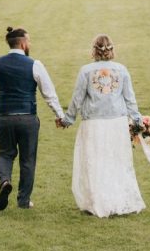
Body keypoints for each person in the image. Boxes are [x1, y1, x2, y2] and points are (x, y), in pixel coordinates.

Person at [0, 26, 65, 211]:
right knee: (27, 159)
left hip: (5, 117)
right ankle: (23, 200)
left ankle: (5, 181)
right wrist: (60, 115)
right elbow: (49, 94)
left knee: (5, 153)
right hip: (27, 118)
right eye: (29, 41)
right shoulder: (35, 65)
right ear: (23, 43)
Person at [59, 35, 145, 218]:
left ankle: (97, 201)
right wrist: (137, 120)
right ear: (111, 49)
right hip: (117, 123)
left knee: (95, 161)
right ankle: (117, 200)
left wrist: (68, 119)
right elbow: (130, 99)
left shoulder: (86, 71)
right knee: (116, 160)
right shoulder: (121, 70)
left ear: (94, 50)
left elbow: (77, 98)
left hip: (94, 124)